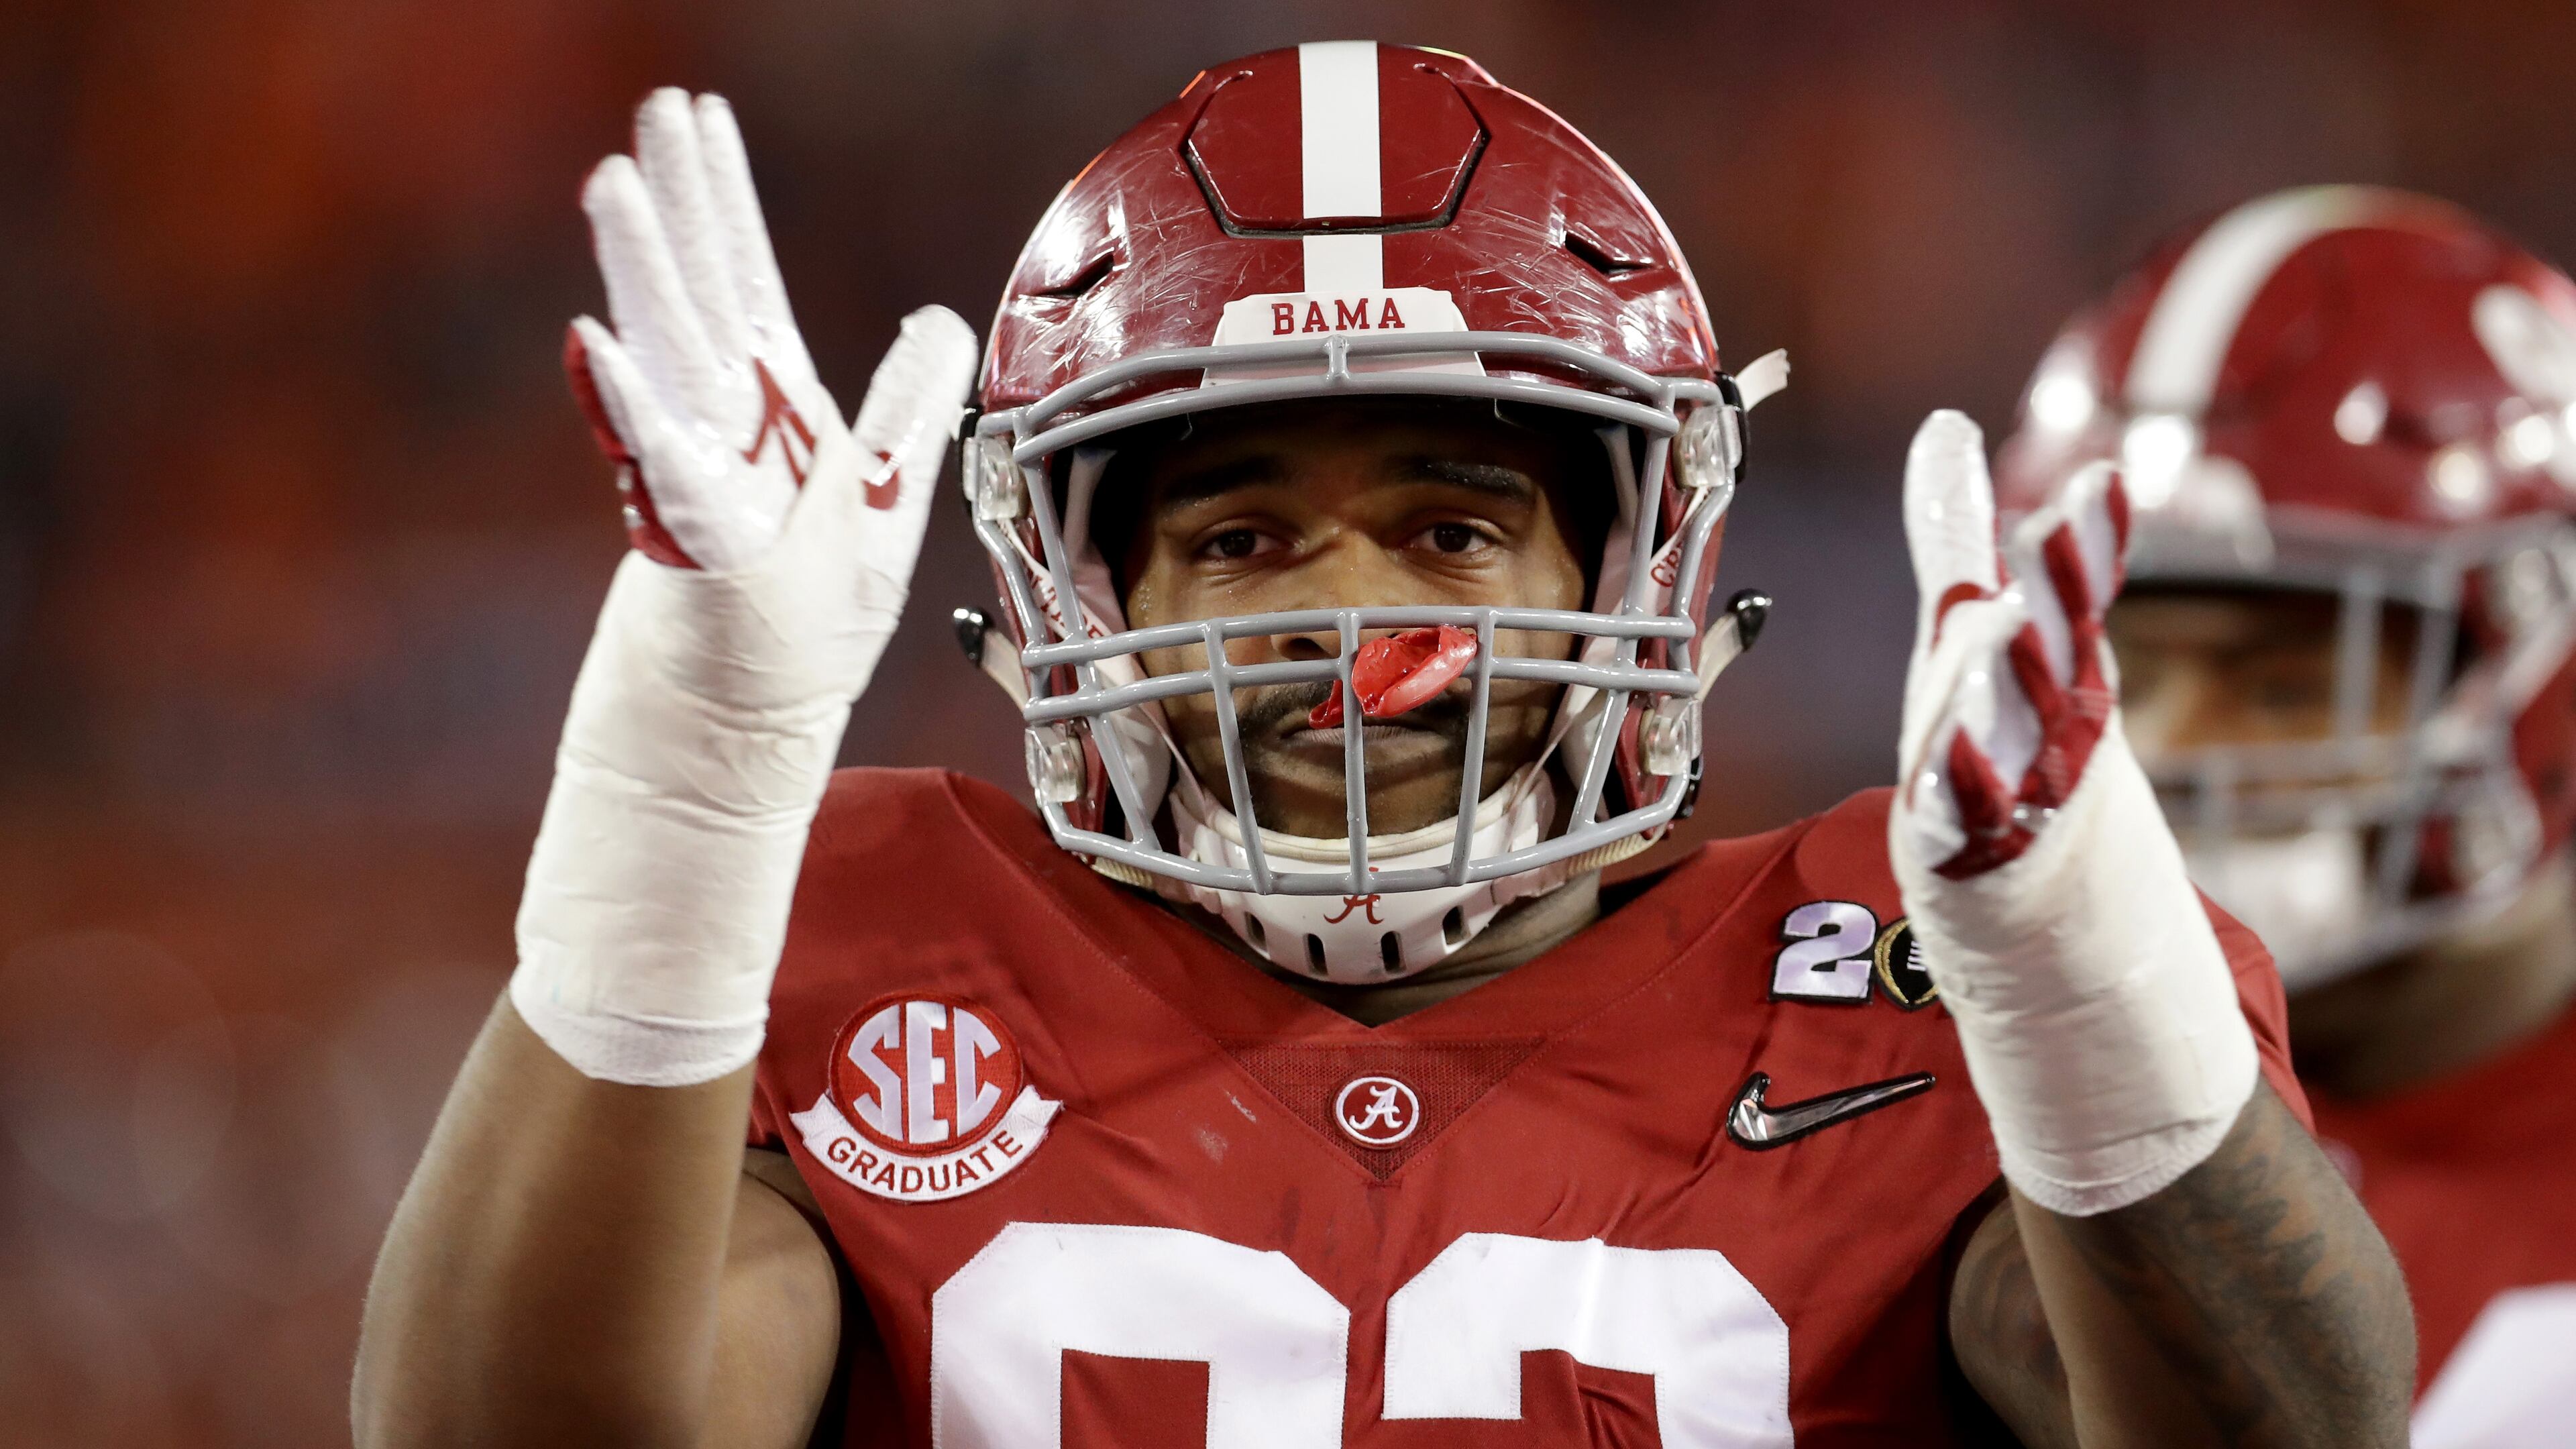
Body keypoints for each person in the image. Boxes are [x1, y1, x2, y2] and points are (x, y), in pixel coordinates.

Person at [353, 47, 2410, 1447]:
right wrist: (682, 794)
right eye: (1239, 540)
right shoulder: (876, 920)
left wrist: (2077, 983)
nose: (1352, 632)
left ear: (1643, 551)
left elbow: (2293, 1431)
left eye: (1452, 525)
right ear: (1083, 593)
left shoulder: (1901, 953)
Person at [1996, 184, 2576, 1444]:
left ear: (2539, 676)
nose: (2163, 758)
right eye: (2129, 677)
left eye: (2280, 682)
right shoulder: (1955, 1111)